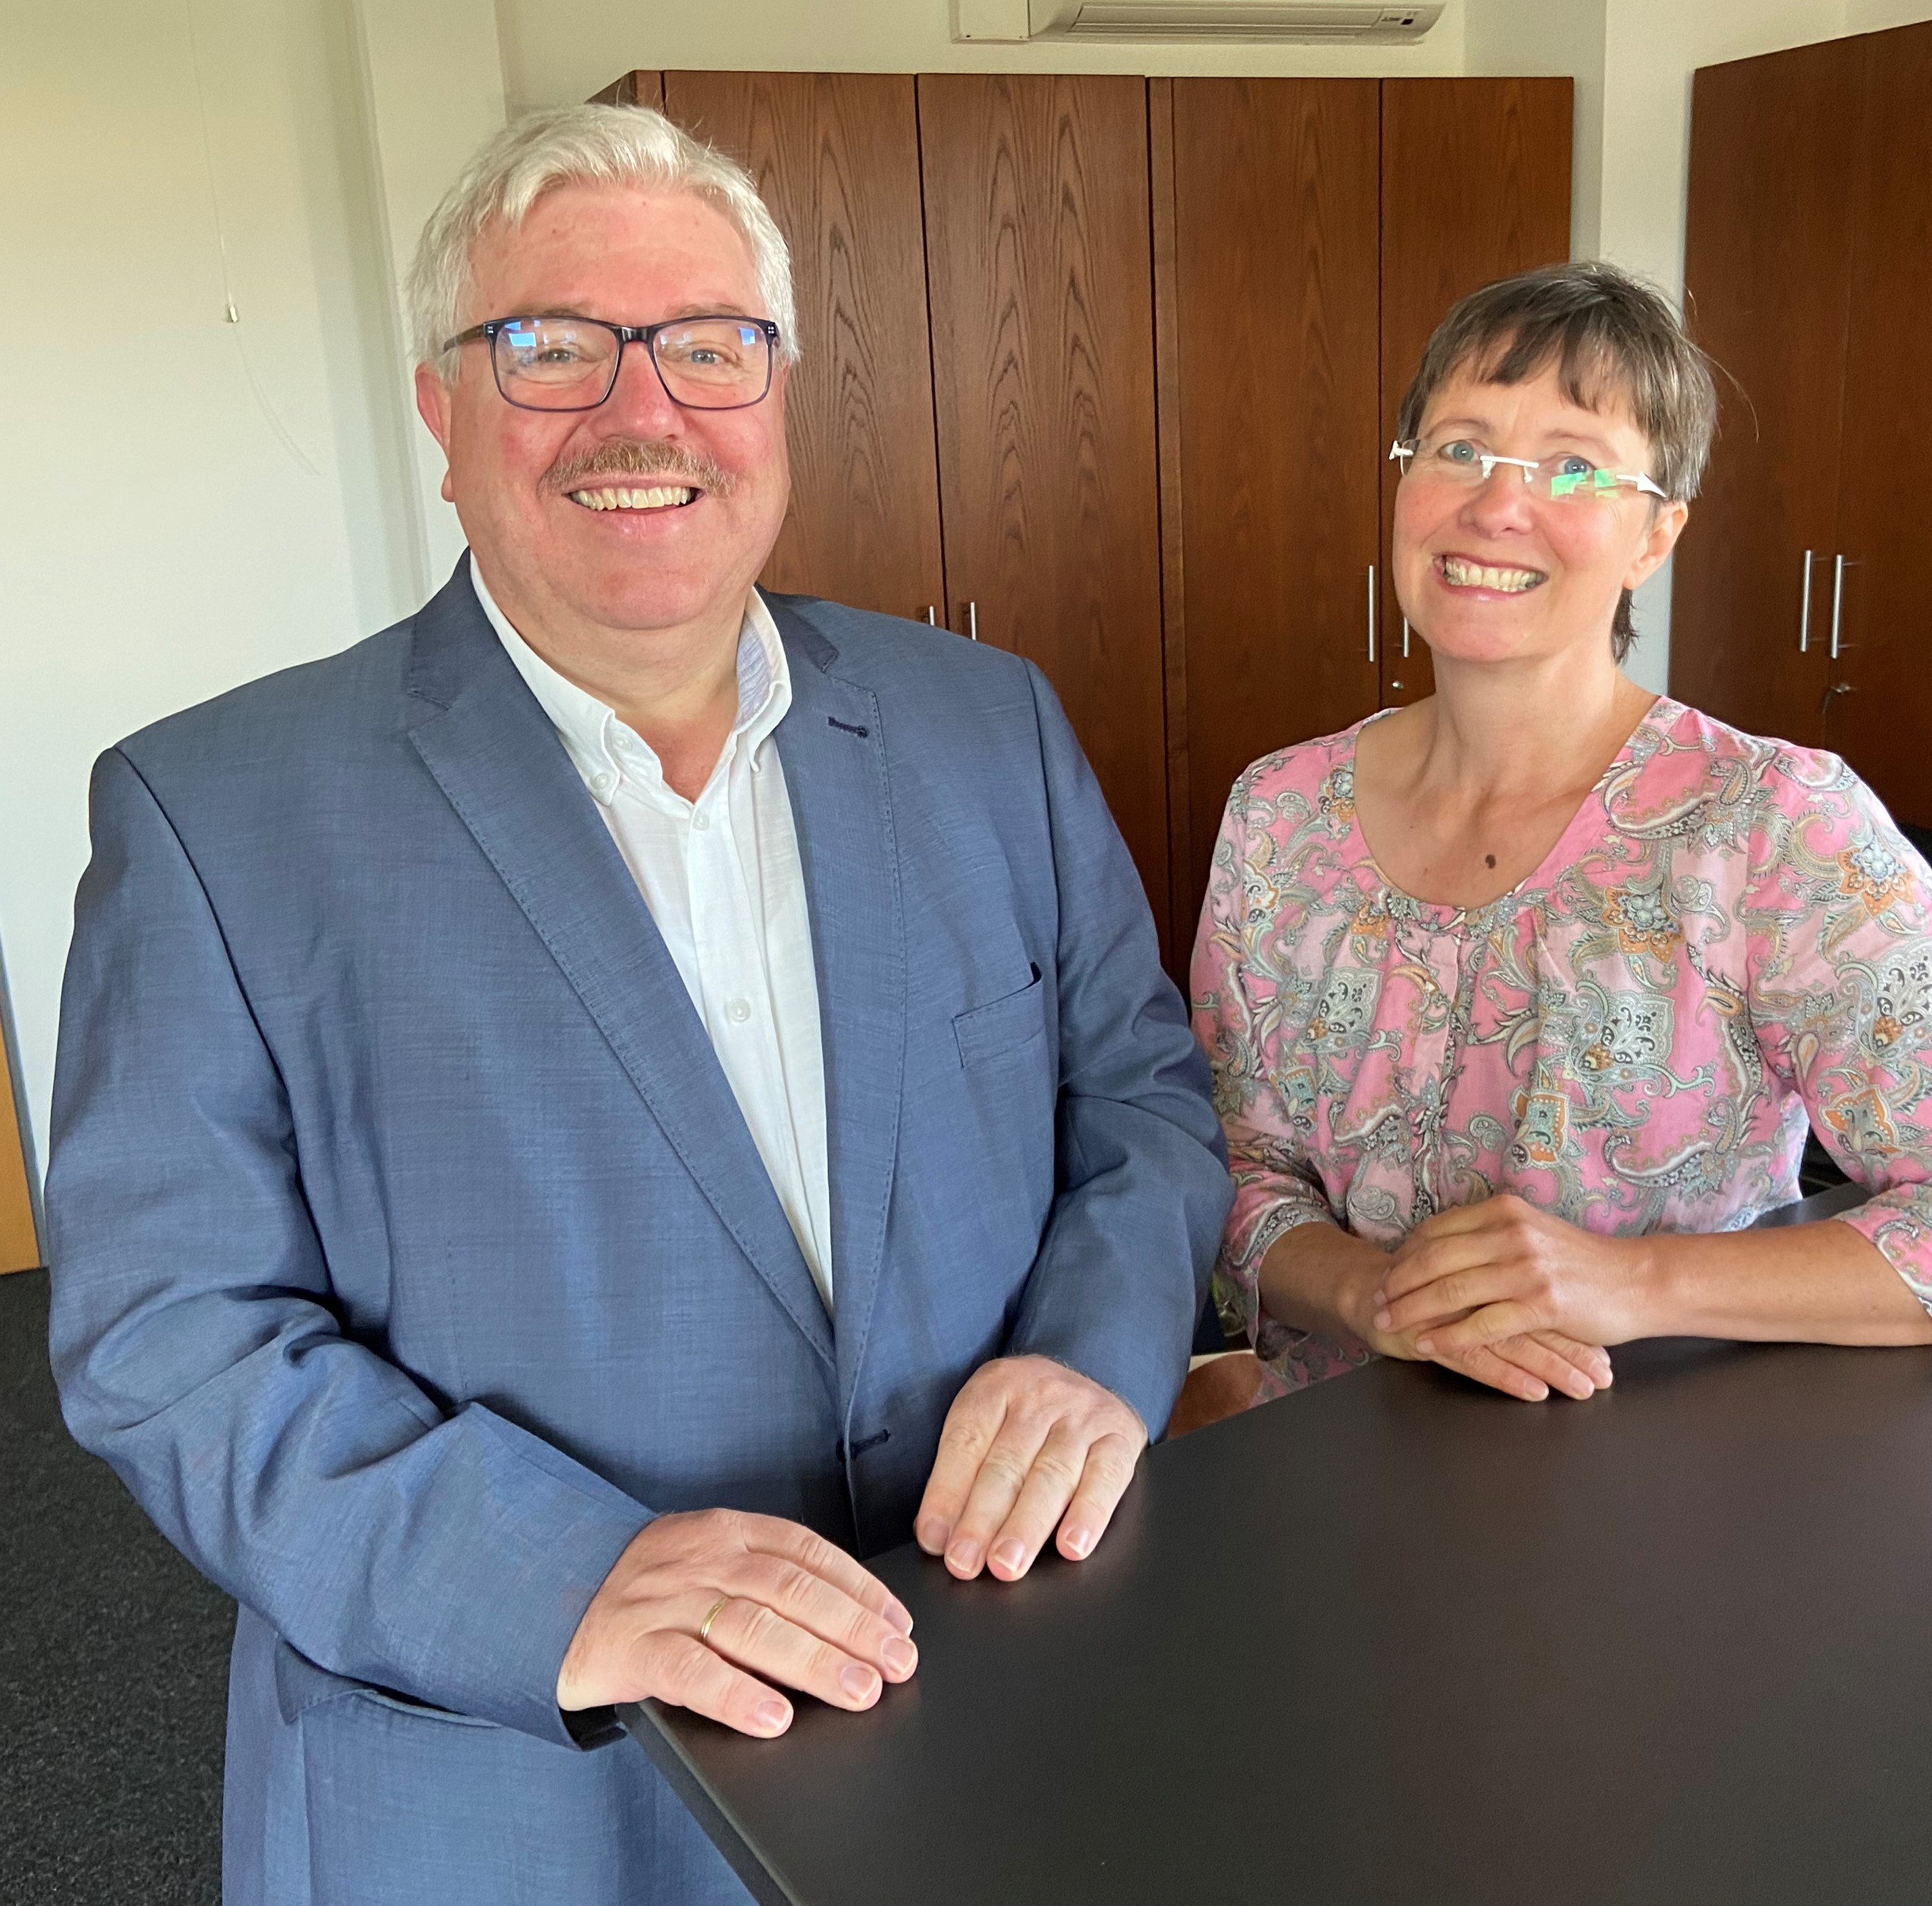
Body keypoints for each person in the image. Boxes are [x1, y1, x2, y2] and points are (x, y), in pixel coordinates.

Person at [45, 104, 1229, 1906]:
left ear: (775, 395)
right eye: (549, 347)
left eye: (707, 346)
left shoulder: (987, 726)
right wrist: (555, 1577)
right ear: (442, 416)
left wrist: (1094, 1347)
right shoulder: (220, 814)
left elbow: (1137, 1100)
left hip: (1001, 1684)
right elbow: (168, 1333)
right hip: (526, 1786)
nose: (641, 410)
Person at [1189, 260, 1932, 1408]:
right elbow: (1234, 1172)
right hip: (1327, 1474)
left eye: (1572, 465)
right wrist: (1373, 1298)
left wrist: (1635, 1285)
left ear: (1655, 535)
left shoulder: (1771, 827)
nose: (1496, 505)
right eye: (1459, 447)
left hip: (1660, 1491)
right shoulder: (1278, 815)